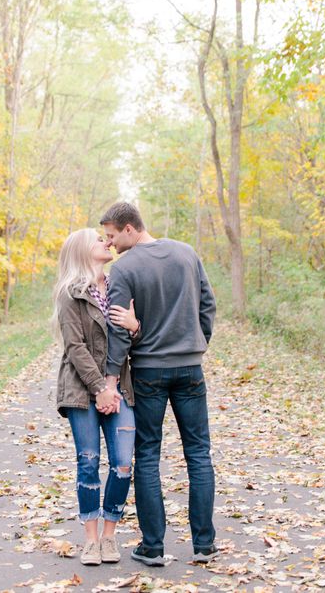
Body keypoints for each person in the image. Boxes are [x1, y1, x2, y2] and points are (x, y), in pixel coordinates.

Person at [100, 202, 217, 567]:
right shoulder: (186, 253)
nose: (111, 244)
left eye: (113, 236)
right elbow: (207, 306)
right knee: (198, 454)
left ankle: (153, 546)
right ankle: (204, 545)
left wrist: (109, 376)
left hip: (149, 372)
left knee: (147, 455)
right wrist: (195, 344)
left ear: (130, 229)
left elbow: (120, 329)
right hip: (190, 369)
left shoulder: (125, 269)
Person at [52, 228, 140, 566]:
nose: (106, 242)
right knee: (88, 460)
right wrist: (100, 388)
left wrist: (135, 327)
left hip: (120, 389)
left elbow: (133, 337)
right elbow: (75, 348)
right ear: (82, 252)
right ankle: (90, 540)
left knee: (122, 463)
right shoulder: (69, 293)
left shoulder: (120, 285)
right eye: (97, 239)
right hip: (81, 389)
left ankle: (109, 536)